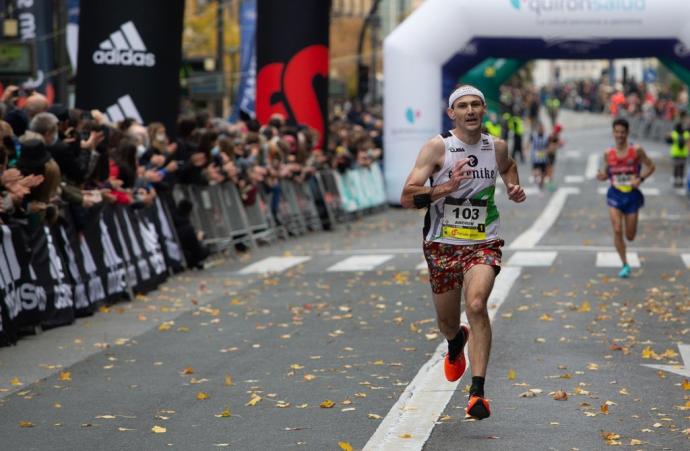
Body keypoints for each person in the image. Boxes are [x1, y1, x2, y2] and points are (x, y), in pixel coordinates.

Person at [400, 85, 526, 420]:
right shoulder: (438, 147)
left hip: (483, 241)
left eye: (475, 105)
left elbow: (509, 164)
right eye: (462, 106)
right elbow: (407, 197)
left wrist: (513, 187)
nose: (469, 111)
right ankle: (456, 342)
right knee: (447, 321)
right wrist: (446, 187)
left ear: (484, 110)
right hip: (442, 244)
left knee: (476, 304)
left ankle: (477, 394)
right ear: (451, 113)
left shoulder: (495, 146)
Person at [596, 118, 655, 278]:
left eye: (622, 132)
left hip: (632, 196)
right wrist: (603, 175)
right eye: (617, 132)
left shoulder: (636, 151)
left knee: (630, 235)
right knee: (616, 229)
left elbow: (651, 166)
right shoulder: (608, 153)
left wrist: (640, 179)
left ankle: (625, 255)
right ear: (613, 133)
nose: (619, 135)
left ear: (627, 133)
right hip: (615, 194)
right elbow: (608, 172)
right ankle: (625, 264)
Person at [666, 121, 688, 187]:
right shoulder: (686, 134)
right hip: (684, 153)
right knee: (682, 167)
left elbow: (668, 141)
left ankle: (675, 180)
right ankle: (680, 181)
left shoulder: (674, 133)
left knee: (676, 167)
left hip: (675, 153)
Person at [529, 122, 549, 192]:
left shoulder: (546, 137)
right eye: (540, 128)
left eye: (542, 128)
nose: (541, 130)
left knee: (543, 174)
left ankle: (541, 185)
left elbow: (548, 145)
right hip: (536, 157)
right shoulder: (534, 136)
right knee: (536, 172)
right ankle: (536, 181)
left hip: (543, 158)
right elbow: (529, 143)